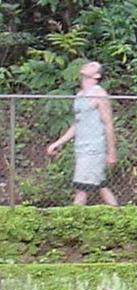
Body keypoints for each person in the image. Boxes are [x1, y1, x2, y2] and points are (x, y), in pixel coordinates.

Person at [46, 61, 119, 206]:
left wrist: (111, 152)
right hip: (81, 147)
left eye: (92, 66)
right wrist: (58, 143)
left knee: (81, 188)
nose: (87, 65)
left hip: (93, 148)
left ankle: (73, 221)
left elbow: (108, 124)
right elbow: (76, 125)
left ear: (97, 75)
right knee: (100, 186)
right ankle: (121, 216)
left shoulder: (99, 94)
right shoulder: (80, 95)